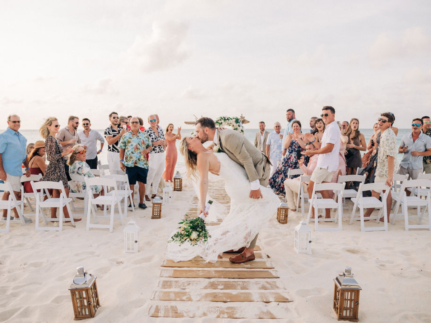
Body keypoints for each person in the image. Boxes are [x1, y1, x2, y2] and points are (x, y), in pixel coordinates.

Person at [179, 117, 274, 264]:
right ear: (190, 147)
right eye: (193, 136)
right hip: (239, 183)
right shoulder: (203, 155)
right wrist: (202, 204)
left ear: (206, 130)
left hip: (254, 170)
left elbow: (243, 157)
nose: (196, 134)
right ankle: (247, 250)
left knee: (250, 211)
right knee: (253, 210)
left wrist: (220, 129)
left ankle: (244, 247)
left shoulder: (217, 142)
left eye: (196, 132)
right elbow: (204, 181)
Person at [40, 117, 81, 222]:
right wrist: (65, 153)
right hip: (56, 169)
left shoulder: (53, 138)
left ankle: (53, 217)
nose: (58, 127)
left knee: (56, 194)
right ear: (49, 126)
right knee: (65, 191)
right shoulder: (50, 139)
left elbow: (55, 155)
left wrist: (66, 151)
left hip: (59, 168)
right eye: (56, 125)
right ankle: (67, 218)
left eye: (58, 125)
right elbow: (51, 157)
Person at [303, 106, 341, 219]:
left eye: (326, 114)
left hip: (325, 164)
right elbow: (323, 146)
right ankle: (328, 216)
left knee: (310, 188)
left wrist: (313, 153)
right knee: (324, 189)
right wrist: (313, 140)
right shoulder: (329, 127)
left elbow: (329, 148)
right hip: (329, 164)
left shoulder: (332, 128)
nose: (324, 117)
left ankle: (314, 215)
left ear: (333, 115)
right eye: (322, 115)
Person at [363, 113, 397, 221]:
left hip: (384, 170)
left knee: (375, 192)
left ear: (389, 124)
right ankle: (386, 217)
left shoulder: (387, 135)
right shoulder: (385, 133)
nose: (380, 122)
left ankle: (367, 215)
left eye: (384, 120)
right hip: (384, 167)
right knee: (386, 192)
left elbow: (391, 156)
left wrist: (390, 175)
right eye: (379, 119)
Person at [0, 114, 32, 223]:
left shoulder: (22, 137)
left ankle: (5, 216)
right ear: (8, 122)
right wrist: (1, 171)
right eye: (14, 121)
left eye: (18, 121)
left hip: (18, 169)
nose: (17, 123)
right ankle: (18, 216)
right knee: (14, 193)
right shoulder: (4, 136)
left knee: (9, 192)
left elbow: (24, 155)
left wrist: (27, 168)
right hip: (9, 169)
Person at [119, 117, 152, 209]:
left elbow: (150, 146)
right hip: (130, 163)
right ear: (129, 124)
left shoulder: (145, 135)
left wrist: (147, 150)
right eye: (132, 122)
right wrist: (121, 162)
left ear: (139, 124)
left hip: (142, 163)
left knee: (142, 183)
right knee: (131, 184)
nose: (134, 124)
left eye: (136, 122)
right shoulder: (125, 136)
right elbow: (121, 149)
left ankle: (141, 202)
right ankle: (131, 203)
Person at [270, 120, 307, 195]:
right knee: (282, 172)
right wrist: (290, 138)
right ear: (292, 128)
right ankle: (283, 191)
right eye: (294, 126)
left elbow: (304, 146)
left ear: (300, 127)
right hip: (289, 158)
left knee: (295, 175)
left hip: (299, 158)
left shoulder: (303, 136)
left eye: (297, 126)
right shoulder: (289, 136)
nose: (295, 128)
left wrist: (297, 138)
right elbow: (285, 146)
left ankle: (295, 191)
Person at [284, 133, 318, 211]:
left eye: (310, 148)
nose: (307, 151)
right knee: (293, 181)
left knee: (286, 182)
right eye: (306, 149)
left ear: (314, 149)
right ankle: (297, 205)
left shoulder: (315, 159)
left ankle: (292, 206)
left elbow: (309, 173)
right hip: (309, 185)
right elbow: (308, 174)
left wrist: (301, 164)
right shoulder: (314, 157)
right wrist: (299, 178)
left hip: (308, 187)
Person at [145, 114, 166, 200]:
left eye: (154, 120)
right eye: (151, 120)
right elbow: (146, 144)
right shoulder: (147, 132)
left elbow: (164, 140)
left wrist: (164, 144)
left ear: (157, 120)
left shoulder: (160, 130)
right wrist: (157, 143)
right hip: (153, 155)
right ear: (148, 122)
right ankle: (146, 193)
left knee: (159, 174)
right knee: (151, 175)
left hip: (162, 154)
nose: (153, 122)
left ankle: (154, 192)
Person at [56, 115, 81, 181]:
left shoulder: (76, 132)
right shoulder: (63, 131)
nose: (78, 124)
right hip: (66, 160)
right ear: (71, 122)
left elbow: (79, 143)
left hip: (75, 159)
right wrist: (69, 141)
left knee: (75, 179)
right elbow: (57, 143)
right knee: (68, 179)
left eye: (78, 123)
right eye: (76, 123)